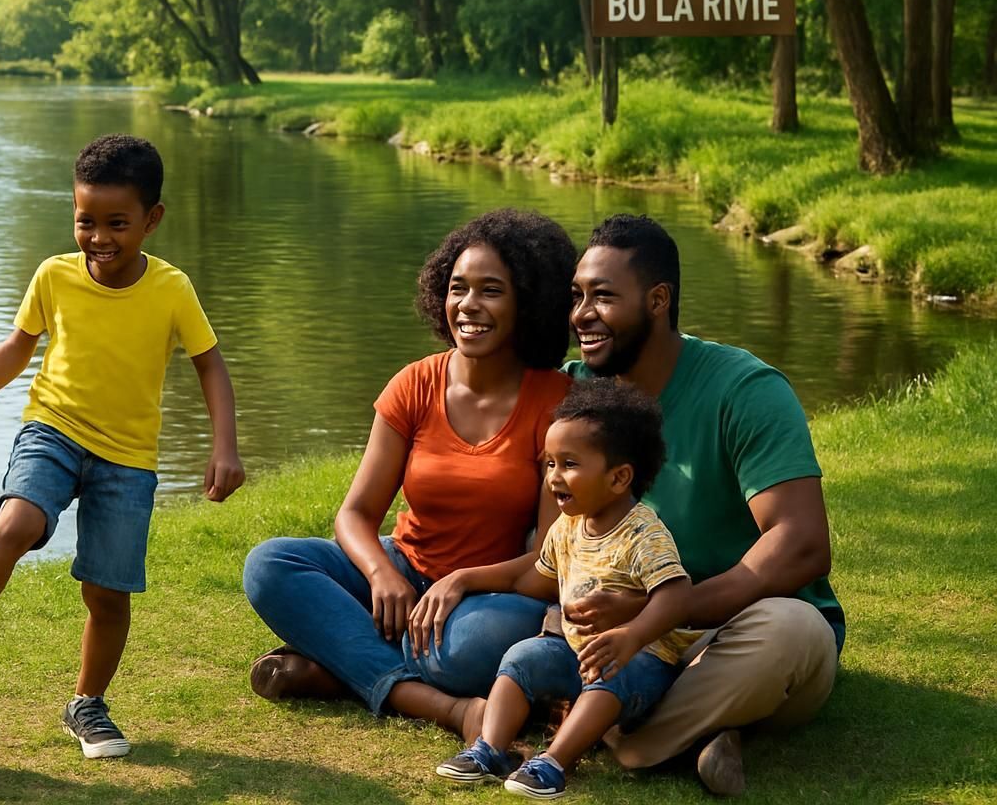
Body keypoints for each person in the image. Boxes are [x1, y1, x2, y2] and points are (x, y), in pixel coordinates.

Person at [0, 134, 244, 761]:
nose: (98, 237)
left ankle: (87, 703)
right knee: (17, 521)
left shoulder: (172, 288)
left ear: (152, 219)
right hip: (53, 428)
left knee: (106, 592)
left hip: (128, 458)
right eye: (85, 221)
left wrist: (225, 447)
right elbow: (18, 347)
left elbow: (210, 364)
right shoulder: (55, 275)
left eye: (116, 223)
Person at [242, 209, 576, 735]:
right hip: (405, 569)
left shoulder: (556, 403)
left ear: (528, 303)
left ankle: (340, 666)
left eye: (491, 291)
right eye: (458, 288)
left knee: (460, 654)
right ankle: (445, 706)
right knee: (270, 565)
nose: (468, 305)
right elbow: (355, 515)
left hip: (491, 593)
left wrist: (460, 583)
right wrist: (382, 575)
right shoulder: (415, 383)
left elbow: (548, 562)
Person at [562, 213, 841, 796]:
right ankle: (703, 730)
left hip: (729, 629)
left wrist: (659, 611)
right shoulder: (573, 393)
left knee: (793, 630)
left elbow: (801, 544)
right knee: (527, 619)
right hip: (614, 633)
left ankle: (627, 737)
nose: (582, 314)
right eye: (577, 296)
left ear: (658, 300)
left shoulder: (744, 389)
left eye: (603, 297)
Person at [435, 379, 697, 800]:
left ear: (619, 477)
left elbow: (678, 595)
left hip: (639, 662)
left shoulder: (644, 534)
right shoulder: (568, 526)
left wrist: (632, 636)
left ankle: (553, 763)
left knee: (612, 675)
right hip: (575, 653)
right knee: (523, 656)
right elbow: (532, 580)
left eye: (569, 464)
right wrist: (464, 578)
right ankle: (490, 749)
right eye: (550, 463)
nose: (553, 477)